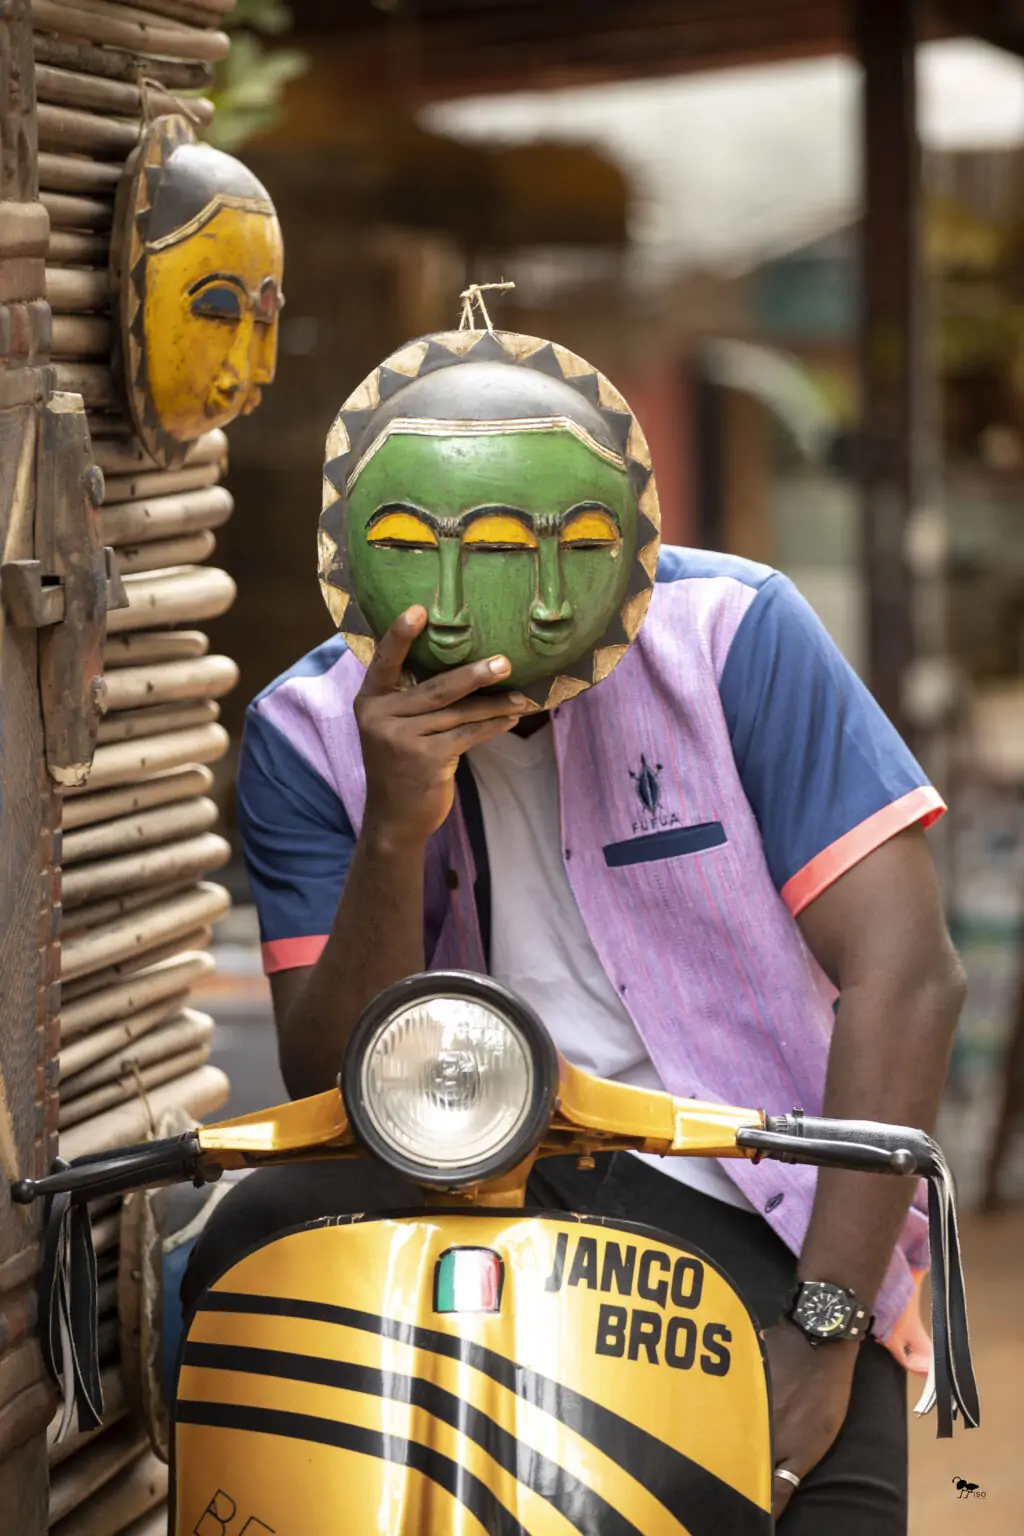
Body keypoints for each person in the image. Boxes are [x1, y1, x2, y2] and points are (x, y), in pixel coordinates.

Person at [184, 316, 965, 1533]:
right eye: (424, 547)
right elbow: (326, 1079)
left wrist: (826, 1327)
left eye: (560, 545)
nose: (508, 594)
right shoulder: (306, 730)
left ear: (628, 541)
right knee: (237, 1279)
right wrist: (395, 826)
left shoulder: (735, 636)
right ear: (356, 557)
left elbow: (907, 977)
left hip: (764, 1210)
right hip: (456, 1205)